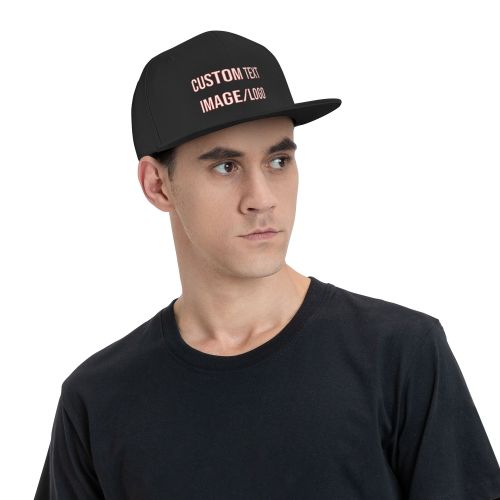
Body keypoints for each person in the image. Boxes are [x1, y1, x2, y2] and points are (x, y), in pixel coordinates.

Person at [34, 30, 500, 499]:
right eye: (226, 167)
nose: (262, 199)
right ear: (157, 185)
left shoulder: (400, 354)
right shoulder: (98, 400)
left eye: (278, 161)